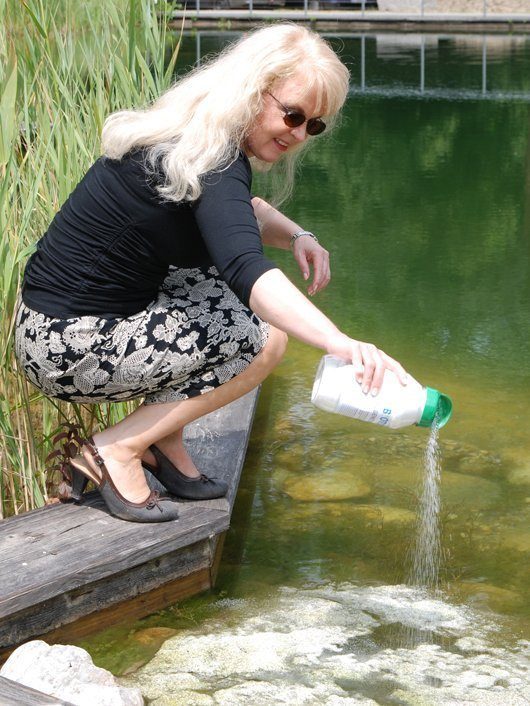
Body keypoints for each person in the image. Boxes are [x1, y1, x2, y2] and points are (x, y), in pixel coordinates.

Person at [14, 23, 407, 523]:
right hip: (68, 347)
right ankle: (119, 448)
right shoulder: (216, 159)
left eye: (315, 126)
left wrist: (299, 237)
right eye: (293, 114)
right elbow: (247, 267)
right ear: (252, 90)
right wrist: (341, 343)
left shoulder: (196, 135)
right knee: (263, 339)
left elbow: (238, 215)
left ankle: (165, 441)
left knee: (221, 293)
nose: (300, 134)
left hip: (52, 328)